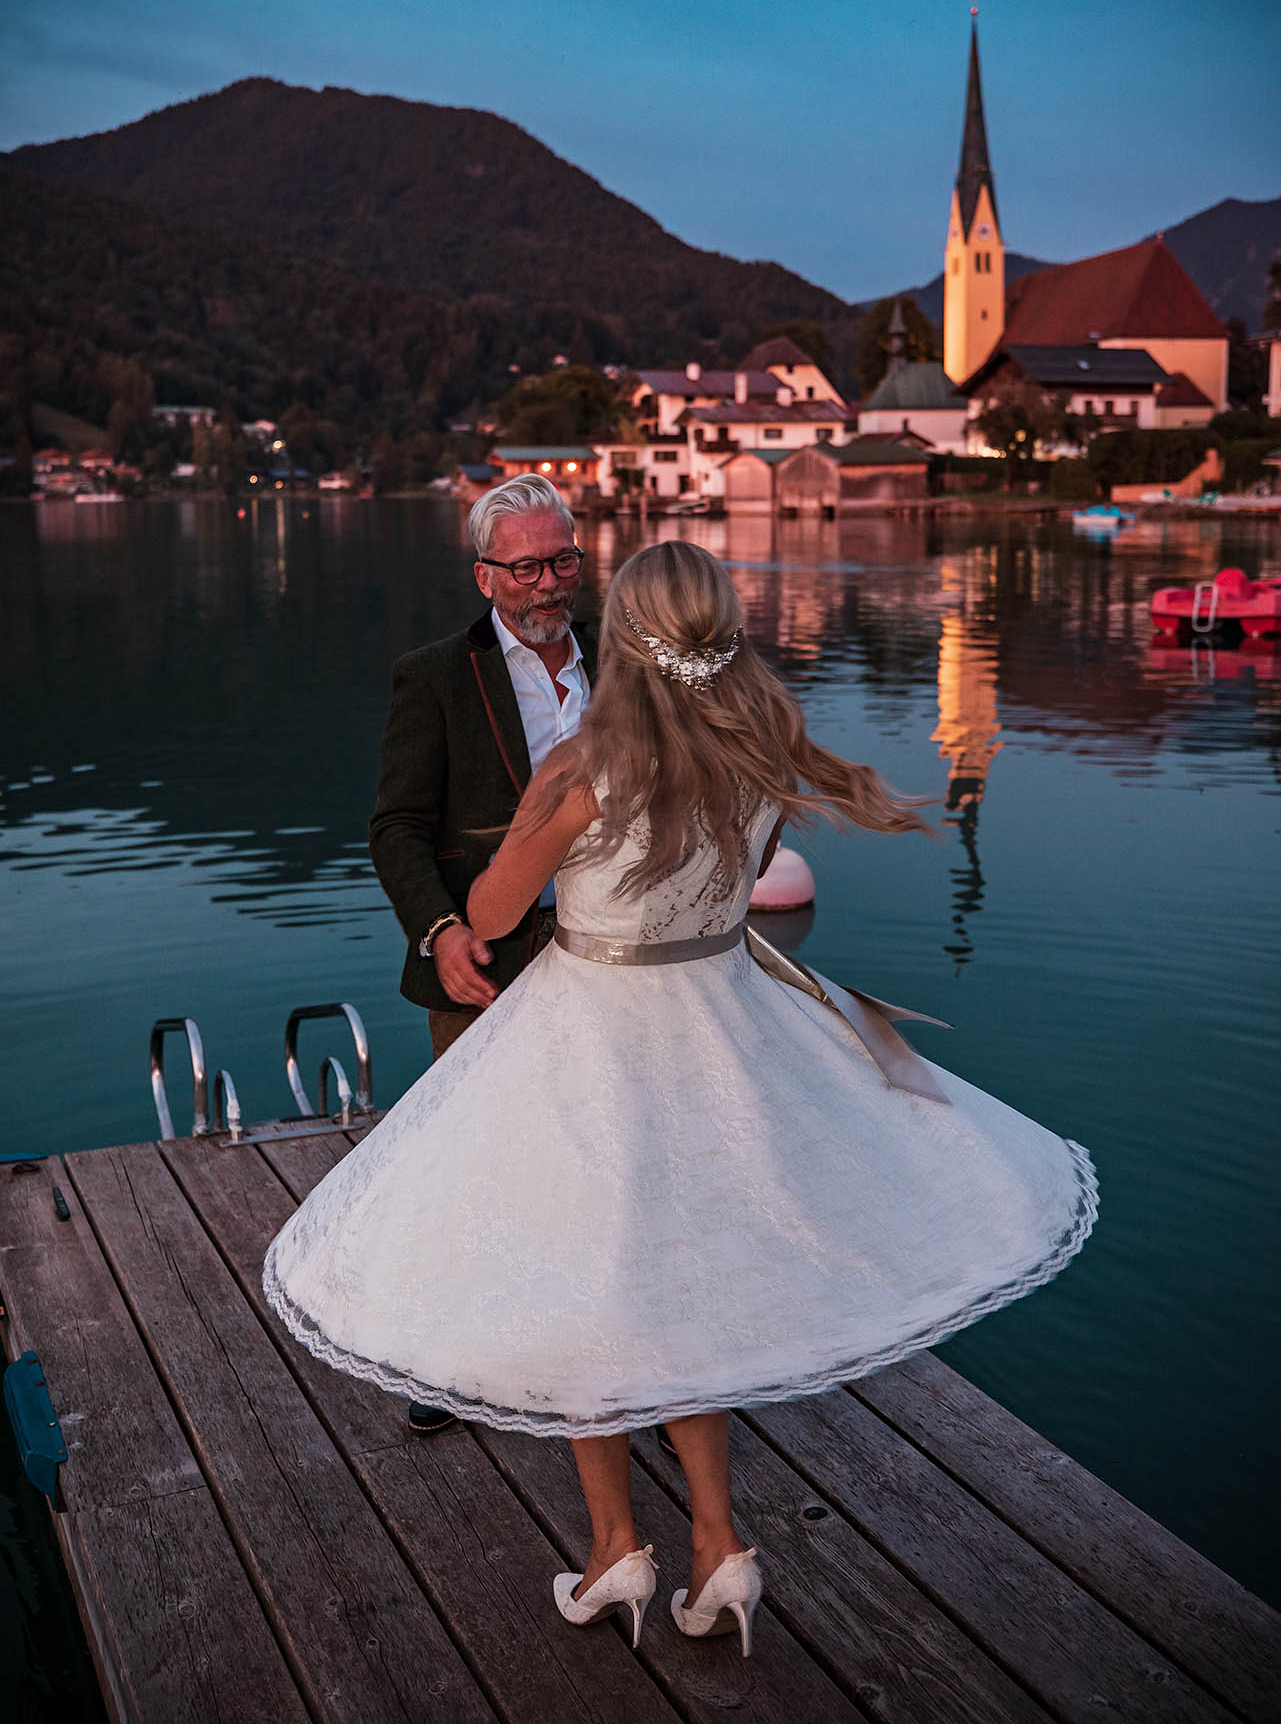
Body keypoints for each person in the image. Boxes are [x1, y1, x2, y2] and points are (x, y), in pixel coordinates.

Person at [266, 540, 1097, 1661]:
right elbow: (739, 884)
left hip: (592, 1039)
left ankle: (616, 1551)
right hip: (724, 1029)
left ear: (631, 632)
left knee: (590, 1285)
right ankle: (718, 1549)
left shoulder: (581, 766)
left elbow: (499, 909)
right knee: (683, 1282)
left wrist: (520, 839)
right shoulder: (762, 746)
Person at [368, 471, 596, 1432]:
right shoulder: (433, 676)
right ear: (484, 576)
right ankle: (450, 1359)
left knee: (609, 1166)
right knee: (473, 1165)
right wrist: (441, 928)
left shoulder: (623, 665)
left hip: (608, 961)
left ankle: (632, 1367)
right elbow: (397, 827)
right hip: (483, 964)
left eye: (563, 560)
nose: (549, 583)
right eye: (527, 567)